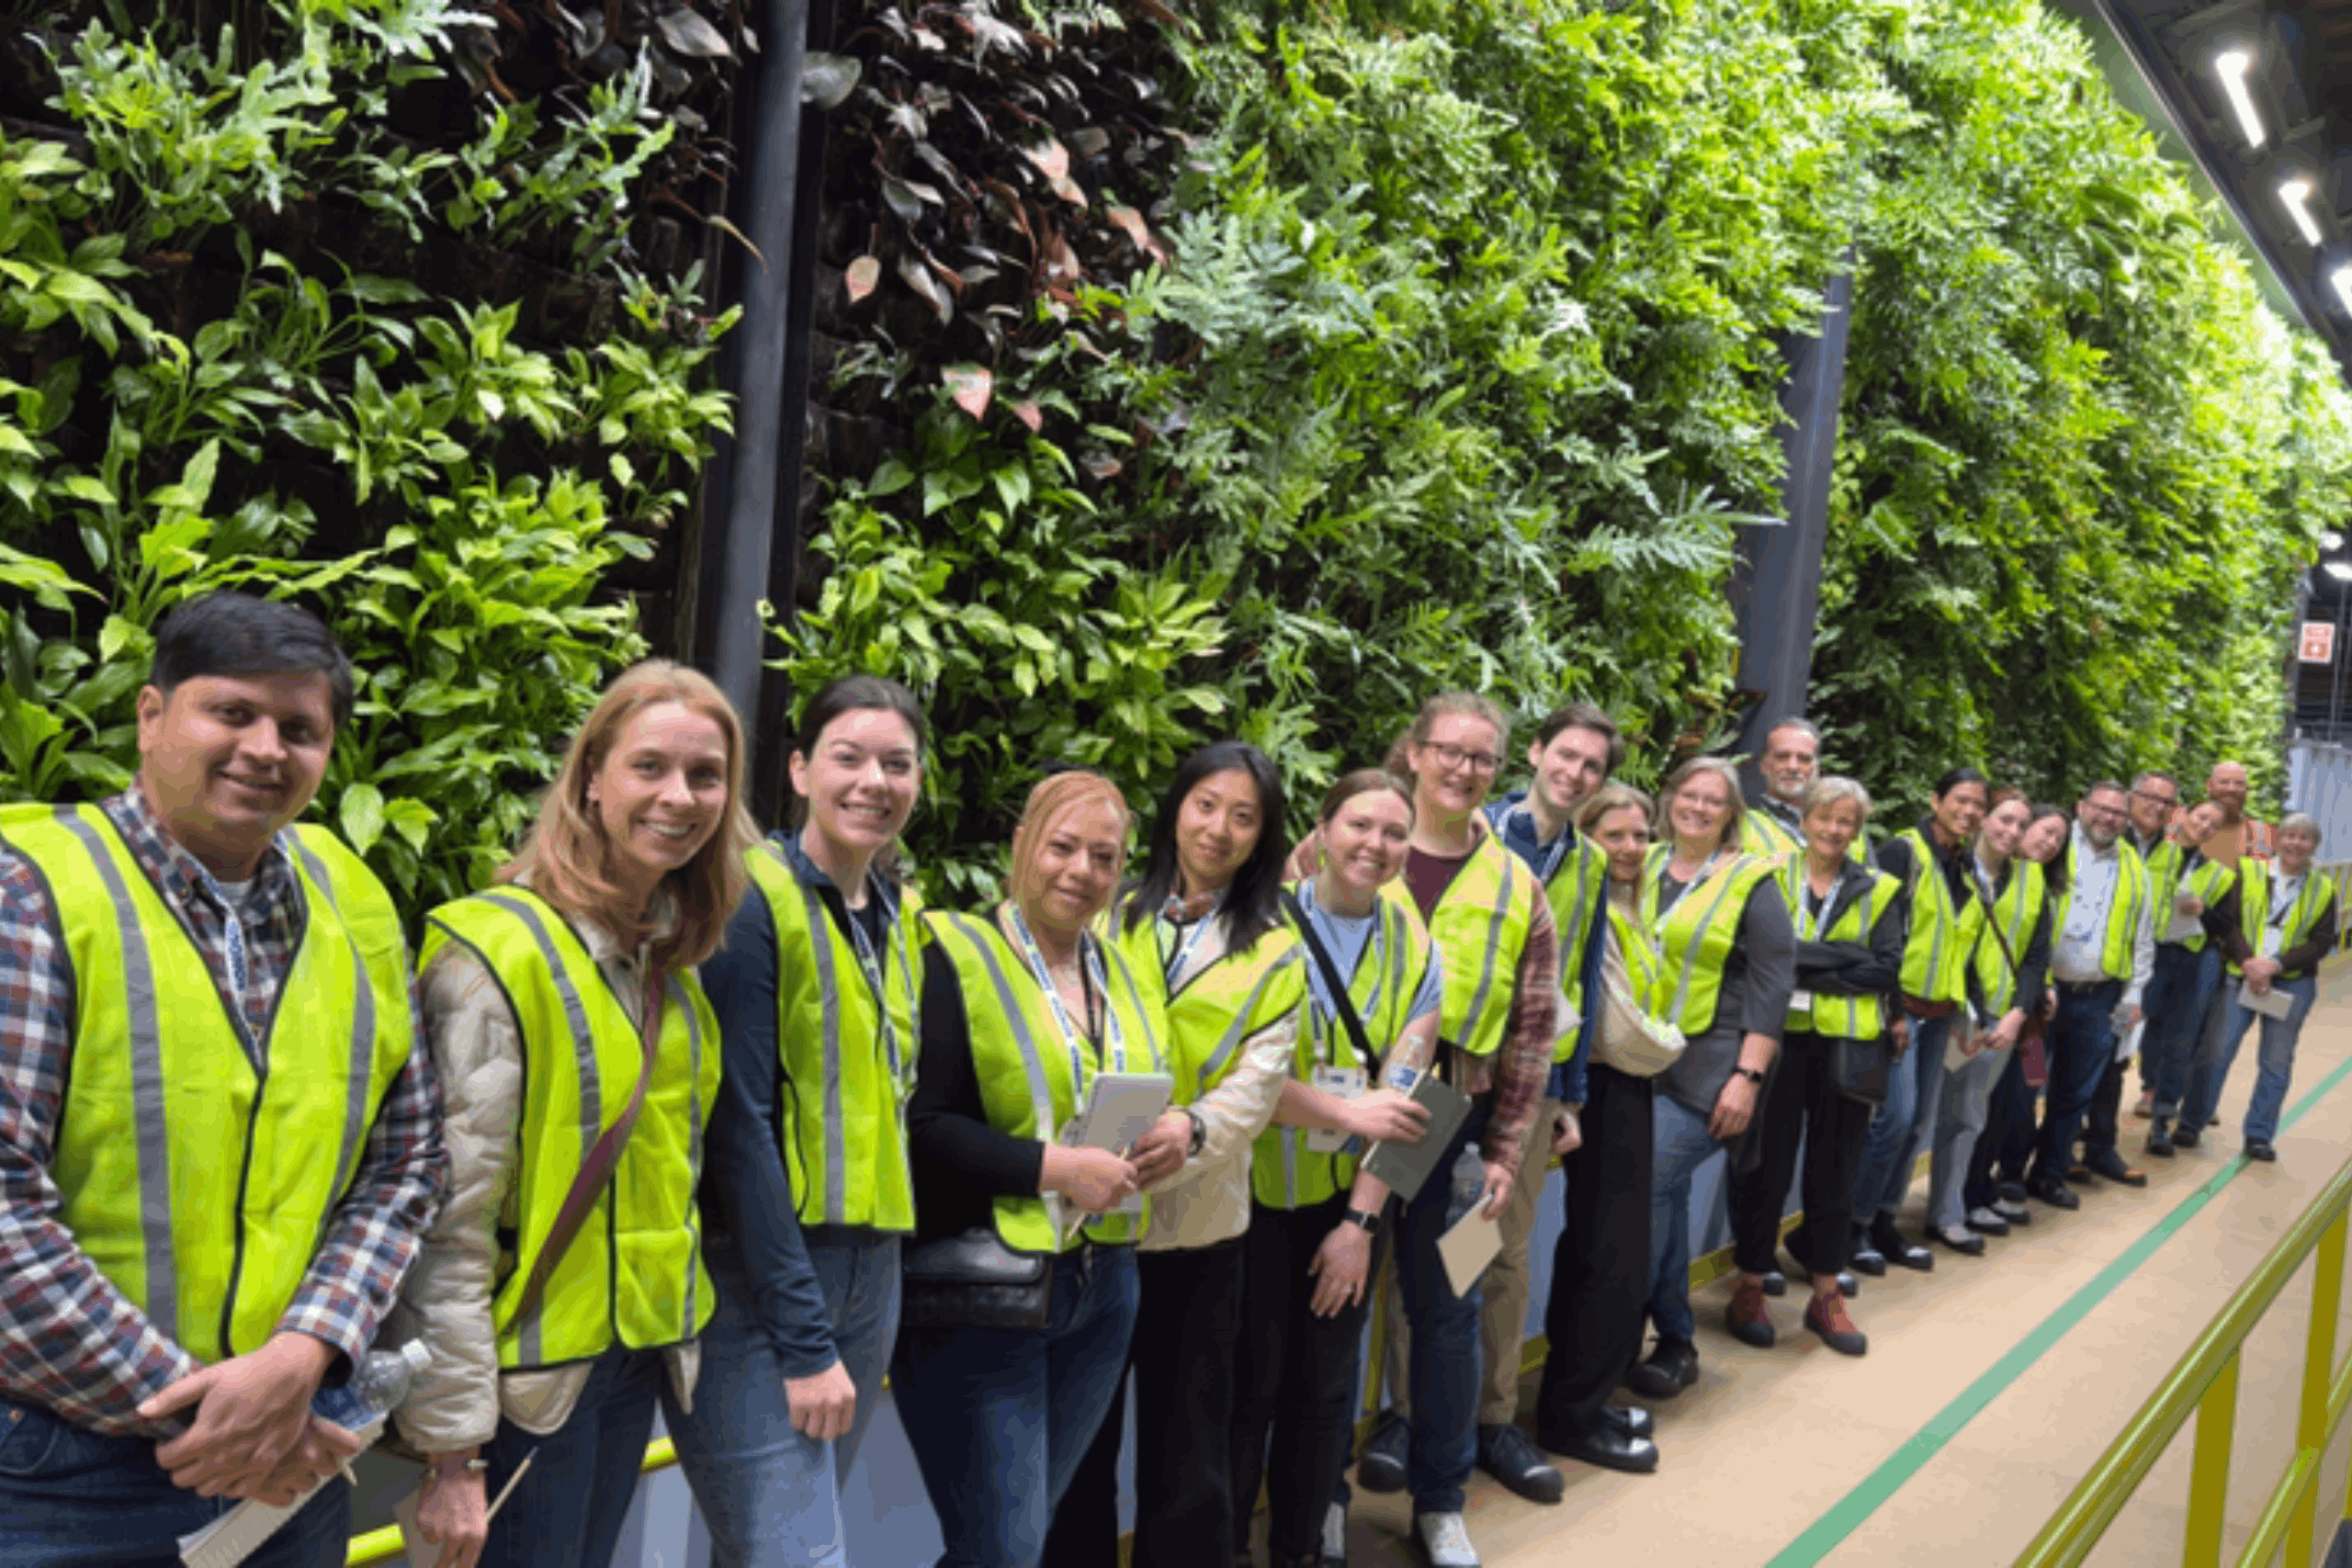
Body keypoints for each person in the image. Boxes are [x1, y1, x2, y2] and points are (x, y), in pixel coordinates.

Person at [0, 592, 447, 1568]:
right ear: (151, 716)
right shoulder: (30, 892)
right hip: (58, 1473)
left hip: (292, 1446)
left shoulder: (349, 898)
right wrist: (214, 1416)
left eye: (300, 728)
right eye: (231, 712)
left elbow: (406, 1163)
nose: (265, 748)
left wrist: (299, 1359)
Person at [396, 660, 758, 1568]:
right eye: (649, 768)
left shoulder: (666, 969)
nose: (679, 796)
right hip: (519, 1398)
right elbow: (445, 1219)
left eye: (705, 776)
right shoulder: (495, 957)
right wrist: (452, 1452)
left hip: (626, 1364)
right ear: (589, 779)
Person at [666, 676, 929, 1568]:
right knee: (799, 1556)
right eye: (848, 758)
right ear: (800, 769)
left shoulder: (895, 912)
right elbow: (736, 1129)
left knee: (762, 1547)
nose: (873, 782)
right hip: (760, 1283)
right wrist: (804, 1337)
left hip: (872, 1273)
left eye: (897, 763)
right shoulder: (753, 899)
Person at [891, 771, 1162, 1568]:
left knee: (1009, 1541)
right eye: (1063, 847)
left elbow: (1144, 1086)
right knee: (1004, 1548)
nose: (1082, 870)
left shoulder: (1123, 970)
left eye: (1104, 857)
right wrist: (1056, 1167)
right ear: (1021, 847)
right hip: (988, 1290)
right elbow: (923, 1127)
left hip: (1103, 1282)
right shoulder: (955, 949)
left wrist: (1173, 1128)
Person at [1045, 743, 1305, 1568]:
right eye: (1204, 804)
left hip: (1199, 1231)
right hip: (1094, 1220)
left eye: (1243, 815)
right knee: (1078, 1441)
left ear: (1264, 835)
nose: (1218, 828)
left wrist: (1191, 1129)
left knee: (1188, 1448)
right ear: (1175, 810)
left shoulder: (1276, 948)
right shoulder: (1108, 910)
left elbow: (1259, 1083)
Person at [1340, 693, 1557, 1568]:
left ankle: (1441, 1501)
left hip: (1456, 1124)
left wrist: (1505, 1148)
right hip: (1340, 1116)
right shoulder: (1346, 845)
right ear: (1415, 751)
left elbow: (1533, 1031)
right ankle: (1320, 1496)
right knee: (1326, 1312)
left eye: (1483, 758)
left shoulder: (1517, 881)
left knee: (1451, 1318)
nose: (1466, 770)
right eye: (1451, 752)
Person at [1229, 770, 1441, 1568]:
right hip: (1244, 1200)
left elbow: (1407, 1099)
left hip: (1345, 1204)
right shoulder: (1256, 926)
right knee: (1245, 1392)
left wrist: (1359, 1224)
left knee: (1323, 1396)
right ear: (1318, 831)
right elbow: (1234, 1078)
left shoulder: (1416, 944)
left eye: (1394, 833)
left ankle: (1299, 1548)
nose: (1375, 846)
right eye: (1359, 825)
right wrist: (1347, 1112)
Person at [1453, 701, 1616, 1503]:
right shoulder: (1470, 830)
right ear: (1538, 754)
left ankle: (1491, 1418)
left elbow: (1580, 977)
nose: (1576, 774)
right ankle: (1414, 1415)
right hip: (1450, 1073)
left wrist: (1573, 1096)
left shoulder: (1589, 862)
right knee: (1431, 1249)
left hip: (1535, 1085)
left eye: (1593, 767)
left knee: (1504, 1253)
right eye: (1567, 755)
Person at [1624, 759, 1793, 1402]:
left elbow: (1774, 985)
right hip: (1639, 1050)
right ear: (1669, 800)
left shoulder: (1753, 878)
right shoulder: (1643, 857)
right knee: (1655, 1194)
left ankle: (1662, 1332)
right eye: (1687, 795)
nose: (1697, 807)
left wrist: (1747, 1077)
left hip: (1712, 1061)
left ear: (1731, 813)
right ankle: (1671, 1336)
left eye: (1712, 800)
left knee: (1654, 1179)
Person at [1723, 777, 1900, 1354]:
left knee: (1836, 1173)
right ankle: (1750, 1285)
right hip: (1776, 1042)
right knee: (1763, 1168)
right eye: (1825, 817)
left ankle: (1827, 1294)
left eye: (1846, 821)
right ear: (1805, 818)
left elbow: (1885, 968)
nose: (1834, 829)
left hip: (1847, 1049)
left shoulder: (1881, 887)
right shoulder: (1766, 873)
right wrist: (1841, 957)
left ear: (1858, 828)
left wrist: (1799, 963)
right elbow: (1751, 951)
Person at [1532, 784, 1663, 1458]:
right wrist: (1674, 1043)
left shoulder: (1629, 907)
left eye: (1641, 835)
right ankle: (1571, 1416)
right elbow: (1621, 1028)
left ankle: (1585, 1397)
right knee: (1607, 1257)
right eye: (1615, 835)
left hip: (1622, 1090)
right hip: (1604, 1087)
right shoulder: (1591, 911)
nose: (1631, 848)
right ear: (1585, 835)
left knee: (1609, 1253)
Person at [1849, 768, 1987, 1274]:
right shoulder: (1902, 853)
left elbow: (1958, 945)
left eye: (1978, 804)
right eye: (1960, 800)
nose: (1969, 812)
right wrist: (1892, 1009)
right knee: (1893, 1121)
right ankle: (1854, 1225)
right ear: (1935, 799)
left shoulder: (1964, 863)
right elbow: (1880, 936)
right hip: (1900, 1013)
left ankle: (1884, 1222)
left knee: (1915, 1129)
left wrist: (1962, 1009)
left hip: (1940, 1014)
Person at [1921, 789, 2048, 1255]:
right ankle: (1878, 1221)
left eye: (2020, 825)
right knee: (1917, 1117)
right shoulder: (1955, 868)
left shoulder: (2032, 879)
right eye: (2004, 820)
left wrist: (2018, 1012)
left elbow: (2036, 955)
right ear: (1984, 819)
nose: (2011, 832)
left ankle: (1948, 1213)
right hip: (1953, 1014)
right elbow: (1953, 944)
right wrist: (1970, 1009)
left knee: (1968, 1116)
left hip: (2002, 1020)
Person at [2177, 815, 2335, 1161]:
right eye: (2290, 835)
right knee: (2216, 1051)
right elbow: (2228, 922)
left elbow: (2322, 941)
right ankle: (2191, 1122)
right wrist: (2249, 962)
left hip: (2291, 984)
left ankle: (2259, 1135)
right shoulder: (2248, 871)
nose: (2296, 844)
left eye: (2305, 838)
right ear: (2278, 839)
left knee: (2276, 1063)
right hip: (2240, 977)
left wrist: (2275, 965)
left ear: (2314, 845)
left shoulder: (2324, 888)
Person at [2024, 781, 2152, 1209]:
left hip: (2100, 1000)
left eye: (2118, 812)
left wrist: (2131, 997)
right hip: (2042, 997)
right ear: (2082, 807)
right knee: (2028, 1082)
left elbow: (2143, 937)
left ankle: (2049, 1173)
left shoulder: (2134, 865)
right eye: (2101, 808)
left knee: (2076, 1090)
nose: (2108, 818)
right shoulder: (2055, 847)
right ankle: (2006, 1174)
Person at [1967, 804, 2072, 1224]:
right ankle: (1975, 1186)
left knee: (2025, 1093)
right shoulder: (1991, 875)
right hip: (1994, 1009)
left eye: (2057, 840)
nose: (2047, 843)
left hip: (2030, 1019)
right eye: (2043, 832)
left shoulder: (2045, 885)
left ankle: (2002, 1174)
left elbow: (2039, 949)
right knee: (1983, 1102)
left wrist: (2044, 986)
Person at [2139, 800, 2245, 1157]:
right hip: (2146, 955)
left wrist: (2205, 912)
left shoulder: (2219, 874)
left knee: (2180, 1041)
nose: (2204, 827)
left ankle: (2161, 1122)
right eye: (2200, 818)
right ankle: (2104, 1113)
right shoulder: (2150, 852)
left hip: (2189, 960)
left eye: (2212, 825)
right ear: (2182, 816)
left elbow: (2226, 926)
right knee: (2131, 1031)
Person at [2122, 772, 2181, 1122]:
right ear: (2132, 797)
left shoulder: (2175, 853)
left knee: (2140, 1030)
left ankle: (2148, 1088)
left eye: (2166, 802)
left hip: (2149, 956)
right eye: (2150, 797)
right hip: (2093, 959)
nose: (2157, 807)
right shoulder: (2109, 839)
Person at [1741, 718, 1819, 858]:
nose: (1793, 767)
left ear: (1816, 767)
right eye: (1782, 756)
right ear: (1763, 765)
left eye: (1804, 759)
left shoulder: (1847, 823)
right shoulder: (1738, 826)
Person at [2199, 761, 2274, 869]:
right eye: (2224, 782)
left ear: (2246, 789)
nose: (2231, 789)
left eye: (2239, 784)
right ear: (2209, 786)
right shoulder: (2185, 826)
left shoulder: (2262, 834)